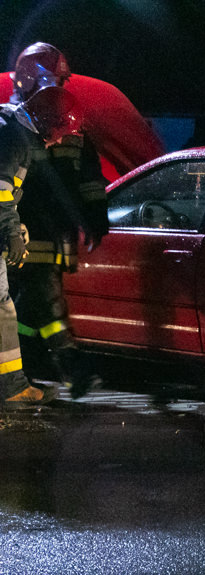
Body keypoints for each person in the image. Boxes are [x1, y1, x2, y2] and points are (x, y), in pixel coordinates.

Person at [7, 43, 107, 399]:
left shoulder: (68, 119)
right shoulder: (15, 125)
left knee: (28, 306)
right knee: (43, 304)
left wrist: (96, 218)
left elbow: (90, 181)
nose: (61, 87)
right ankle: (71, 369)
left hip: (48, 234)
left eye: (63, 80)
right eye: (56, 79)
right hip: (25, 234)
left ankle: (32, 363)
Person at [0, 86, 77, 406]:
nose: (59, 140)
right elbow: (0, 191)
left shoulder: (9, 126)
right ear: (46, 120)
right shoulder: (15, 139)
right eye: (59, 131)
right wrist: (12, 234)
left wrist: (15, 228)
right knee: (2, 308)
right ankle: (12, 387)